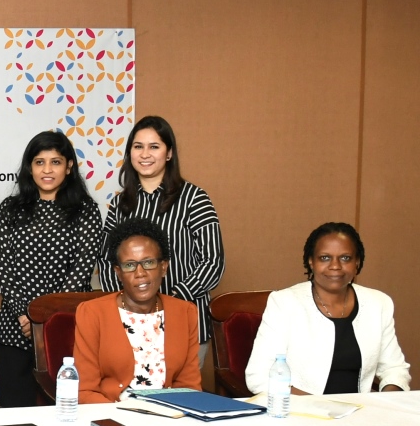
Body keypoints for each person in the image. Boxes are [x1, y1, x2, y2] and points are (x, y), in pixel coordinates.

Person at [99, 115, 224, 367]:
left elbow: (213, 262)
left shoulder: (194, 198)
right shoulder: (121, 204)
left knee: (179, 400)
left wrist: (173, 300)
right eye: (138, 146)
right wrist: (129, 302)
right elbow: (106, 260)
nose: (145, 154)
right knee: (130, 401)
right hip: (130, 322)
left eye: (154, 146)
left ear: (169, 154)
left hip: (185, 322)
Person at [0, 130, 103, 407]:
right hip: (17, 326)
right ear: (30, 167)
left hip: (66, 325)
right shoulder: (10, 209)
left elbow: (82, 267)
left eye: (55, 162)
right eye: (40, 162)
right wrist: (25, 316)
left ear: (69, 166)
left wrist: (48, 319)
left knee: (67, 409)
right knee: (15, 410)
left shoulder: (85, 210)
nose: (47, 170)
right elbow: (5, 266)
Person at [245, 222, 409, 395]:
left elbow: (395, 370)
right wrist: (322, 408)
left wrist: (385, 404)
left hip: (362, 415)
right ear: (311, 262)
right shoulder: (284, 303)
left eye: (345, 258)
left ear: (357, 262)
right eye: (325, 258)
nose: (335, 266)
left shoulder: (378, 303)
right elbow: (259, 377)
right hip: (301, 414)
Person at [74, 218, 201, 404]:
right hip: (114, 416)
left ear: (163, 267)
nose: (140, 273)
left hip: (170, 418)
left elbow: (189, 386)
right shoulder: (92, 313)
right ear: (118, 272)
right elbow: (84, 391)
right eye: (129, 265)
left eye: (148, 262)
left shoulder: (185, 313)